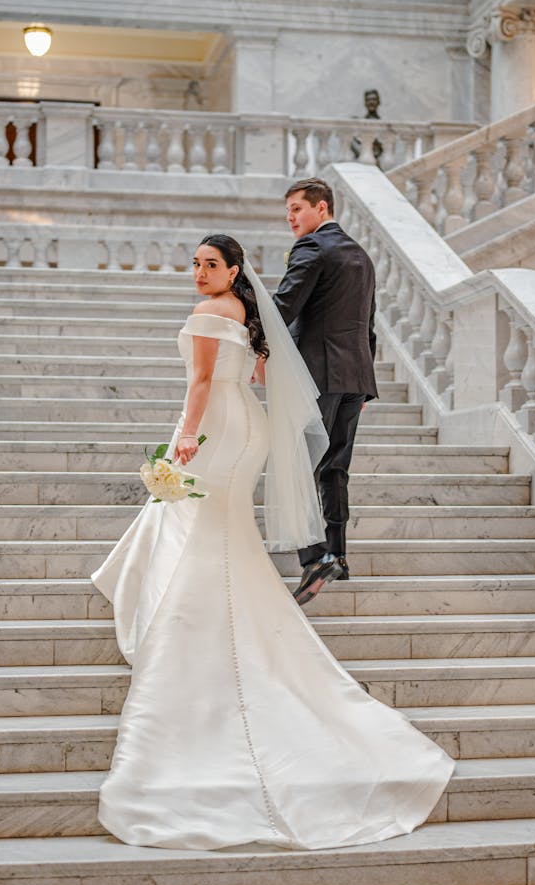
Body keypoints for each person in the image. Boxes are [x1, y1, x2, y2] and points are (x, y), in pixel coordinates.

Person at [91, 233, 453, 851]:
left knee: (203, 522)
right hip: (246, 426)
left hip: (218, 427)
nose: (200, 274)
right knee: (217, 527)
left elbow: (201, 381)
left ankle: (191, 611)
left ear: (234, 271)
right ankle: (205, 602)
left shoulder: (210, 312)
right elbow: (257, 372)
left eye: (212, 265)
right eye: (196, 265)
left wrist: (182, 440)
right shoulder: (246, 313)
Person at [273, 178, 377, 606]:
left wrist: (250, 343)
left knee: (298, 462)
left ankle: (315, 557)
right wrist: (363, 387)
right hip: (354, 376)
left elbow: (285, 305)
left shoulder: (313, 248)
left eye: (297, 209)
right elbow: (367, 323)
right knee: (334, 467)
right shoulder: (361, 255)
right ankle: (337, 554)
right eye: (288, 212)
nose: (292, 219)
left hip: (318, 375)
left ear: (321, 207)